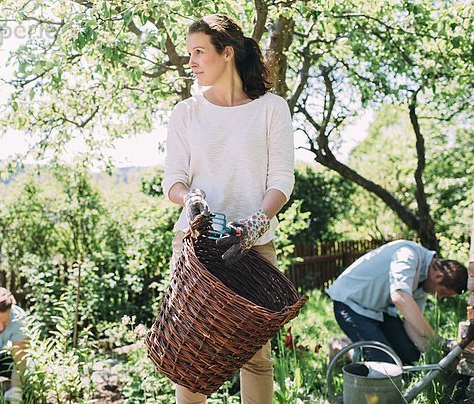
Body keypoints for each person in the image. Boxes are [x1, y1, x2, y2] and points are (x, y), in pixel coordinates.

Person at [161, 14, 294, 404]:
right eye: (189, 54)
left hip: (252, 249)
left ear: (228, 52)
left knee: (255, 359)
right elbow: (173, 180)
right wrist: (190, 199)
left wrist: (255, 223)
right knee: (192, 354)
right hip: (196, 247)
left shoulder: (272, 109)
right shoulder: (186, 113)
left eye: (199, 52)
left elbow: (281, 181)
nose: (191, 62)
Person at [326, 239, 468, 364]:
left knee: (411, 357)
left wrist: (435, 354)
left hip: (379, 310)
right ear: (438, 276)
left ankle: (354, 344)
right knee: (385, 364)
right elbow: (399, 297)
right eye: (442, 292)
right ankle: (343, 349)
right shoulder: (407, 254)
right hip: (351, 305)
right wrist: (438, 340)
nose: (439, 297)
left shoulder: (423, 282)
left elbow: (412, 324)